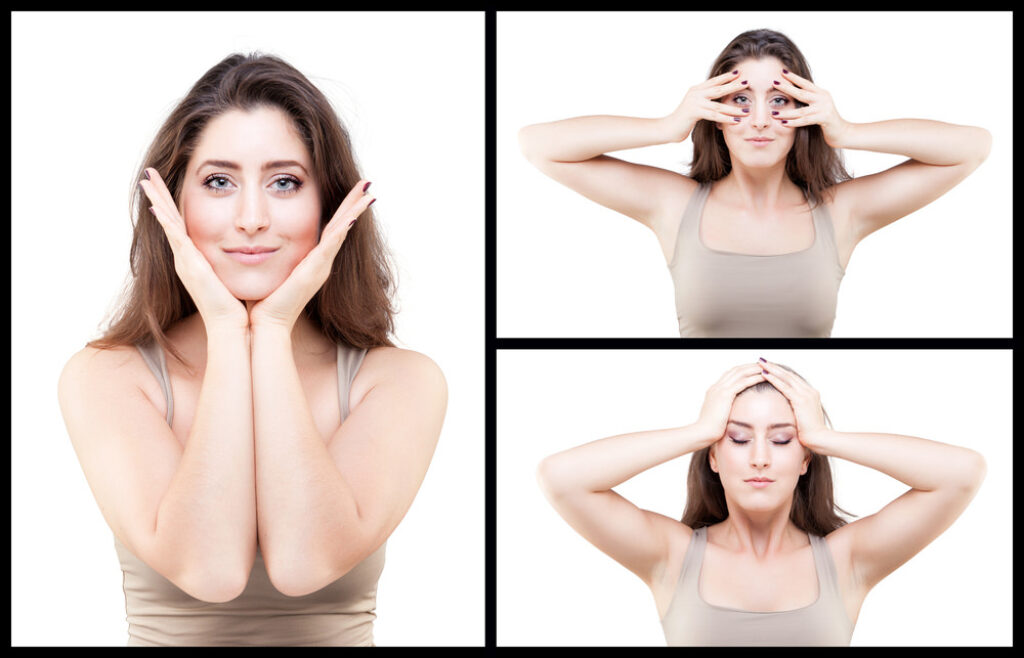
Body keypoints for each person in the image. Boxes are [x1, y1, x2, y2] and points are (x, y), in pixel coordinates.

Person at [56, 52, 447, 646]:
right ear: (172, 201)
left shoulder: (398, 381)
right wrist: (223, 328)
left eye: (284, 182)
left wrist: (268, 332)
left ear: (332, 203)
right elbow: (210, 571)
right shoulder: (108, 375)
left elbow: (302, 564)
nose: (251, 218)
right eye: (219, 182)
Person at [518, 29, 992, 337]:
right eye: (741, 99)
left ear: (805, 112)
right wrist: (667, 125)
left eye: (781, 100)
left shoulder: (839, 212)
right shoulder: (676, 205)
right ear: (715, 113)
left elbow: (972, 147)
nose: (761, 119)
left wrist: (848, 131)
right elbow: (538, 144)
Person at [537, 360, 986, 646]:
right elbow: (561, 478)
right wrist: (698, 430)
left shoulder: (845, 560)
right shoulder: (672, 555)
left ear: (805, 458)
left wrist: (825, 437)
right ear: (714, 455)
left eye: (783, 438)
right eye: (736, 437)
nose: (759, 457)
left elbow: (962, 473)